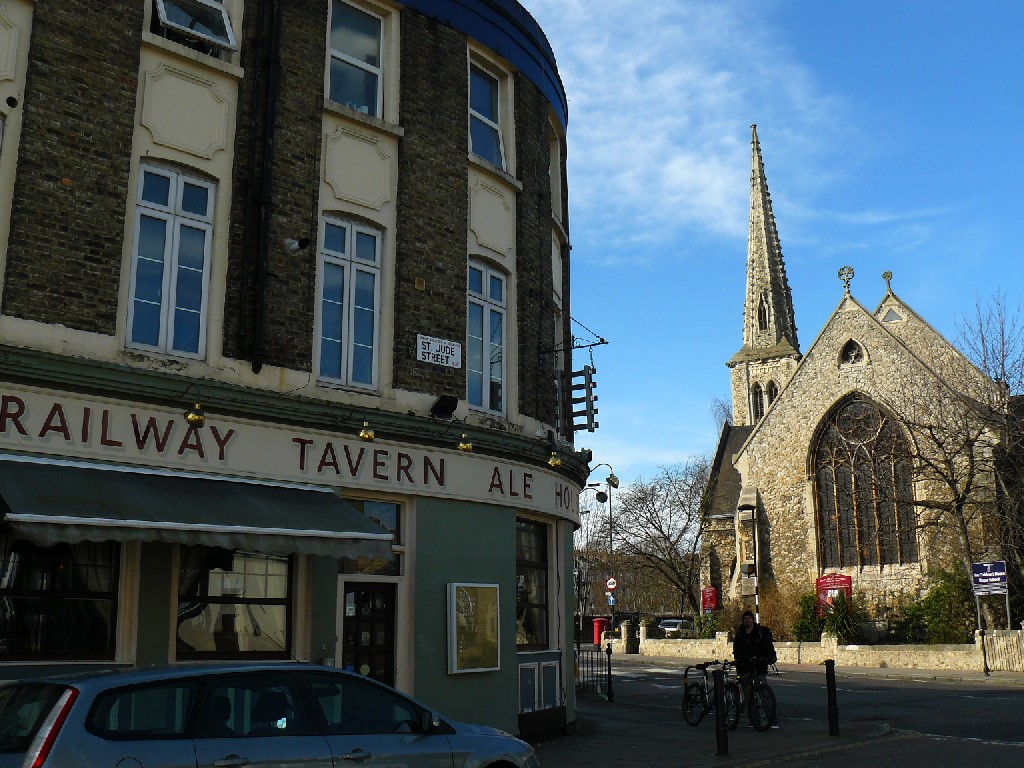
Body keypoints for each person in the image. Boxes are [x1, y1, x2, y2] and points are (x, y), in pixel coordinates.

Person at [732, 609, 779, 728]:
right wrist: (739, 660)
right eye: (745, 619)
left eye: (749, 618)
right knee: (749, 695)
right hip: (744, 667)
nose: (747, 620)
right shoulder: (740, 634)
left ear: (752, 620)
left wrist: (771, 657)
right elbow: (736, 650)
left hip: (759, 666)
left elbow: (768, 645)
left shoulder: (760, 632)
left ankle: (771, 718)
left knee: (764, 693)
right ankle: (754, 719)